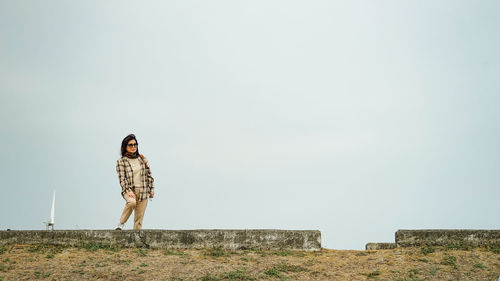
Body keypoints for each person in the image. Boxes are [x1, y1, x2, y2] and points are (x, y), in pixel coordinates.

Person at [115, 134, 154, 230]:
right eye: (130, 145)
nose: (133, 147)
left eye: (135, 144)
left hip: (143, 191)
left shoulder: (142, 159)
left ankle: (136, 242)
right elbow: (122, 179)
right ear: (125, 147)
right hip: (130, 191)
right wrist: (128, 190)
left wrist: (151, 189)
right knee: (131, 202)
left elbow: (149, 175)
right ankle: (121, 224)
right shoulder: (121, 162)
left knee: (138, 220)